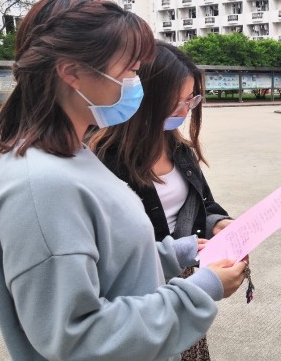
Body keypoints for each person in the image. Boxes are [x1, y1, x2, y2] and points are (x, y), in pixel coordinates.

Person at [0, 0, 246, 361]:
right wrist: (202, 289)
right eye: (132, 70)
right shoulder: (42, 185)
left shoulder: (74, 156)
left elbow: (110, 257)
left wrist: (177, 251)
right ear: (72, 72)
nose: (136, 83)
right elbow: (75, 337)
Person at [89, 41, 236, 360]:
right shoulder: (104, 160)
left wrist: (220, 223)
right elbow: (107, 251)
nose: (185, 112)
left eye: (191, 100)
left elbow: (204, 205)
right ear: (143, 96)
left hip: (186, 275)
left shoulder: (180, 150)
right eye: (175, 102)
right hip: (138, 291)